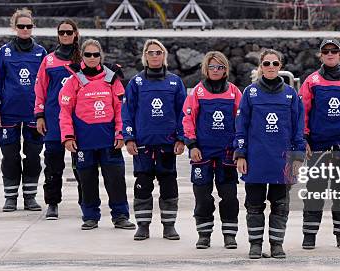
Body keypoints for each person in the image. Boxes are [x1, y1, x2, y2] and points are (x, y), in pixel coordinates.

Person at [235, 49, 305, 259]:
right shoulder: (250, 92)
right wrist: (241, 154)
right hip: (256, 159)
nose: (271, 67)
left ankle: (276, 244)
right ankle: (255, 244)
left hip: (282, 160)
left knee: (281, 205)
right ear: (261, 67)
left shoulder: (290, 94)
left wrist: (298, 156)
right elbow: (241, 126)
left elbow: (297, 127)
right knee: (254, 205)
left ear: (280, 66)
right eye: (267, 64)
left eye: (275, 63)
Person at [58, 39, 134, 230]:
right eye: (88, 54)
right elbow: (65, 112)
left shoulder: (112, 78)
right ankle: (90, 216)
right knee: (87, 181)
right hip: (84, 141)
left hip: (110, 141)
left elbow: (120, 110)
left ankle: (121, 216)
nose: (92, 58)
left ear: (101, 56)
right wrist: (67, 136)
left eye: (96, 54)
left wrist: (120, 133)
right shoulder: (73, 80)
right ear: (82, 56)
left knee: (116, 180)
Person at [299, 38, 340, 250]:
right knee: (314, 191)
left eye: (334, 51)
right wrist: (304, 139)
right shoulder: (312, 81)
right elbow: (303, 113)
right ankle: (309, 235)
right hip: (318, 145)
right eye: (325, 51)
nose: (330, 54)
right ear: (320, 55)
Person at [122, 39, 186, 241]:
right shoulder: (136, 83)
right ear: (145, 56)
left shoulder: (175, 82)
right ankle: (142, 225)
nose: (155, 56)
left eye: (158, 52)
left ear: (164, 55)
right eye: (150, 52)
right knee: (142, 184)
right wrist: (129, 138)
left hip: (168, 145)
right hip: (143, 144)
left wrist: (182, 138)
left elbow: (183, 113)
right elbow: (127, 113)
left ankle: (169, 226)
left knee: (169, 185)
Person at [182, 51, 241, 249]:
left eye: (220, 67)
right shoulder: (197, 92)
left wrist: (239, 149)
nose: (216, 70)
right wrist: (192, 145)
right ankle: (204, 234)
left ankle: (230, 235)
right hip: (203, 153)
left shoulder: (234, 92)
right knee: (203, 197)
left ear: (226, 70)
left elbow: (241, 122)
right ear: (206, 69)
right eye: (212, 67)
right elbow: (187, 119)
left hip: (227, 153)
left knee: (230, 197)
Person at [0, 8, 46, 212]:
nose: (24, 29)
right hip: (8, 112)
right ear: (14, 27)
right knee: (10, 156)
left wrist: (45, 111)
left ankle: (30, 196)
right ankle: (10, 197)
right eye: (21, 26)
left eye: (28, 26)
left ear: (33, 27)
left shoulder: (41, 52)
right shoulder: (3, 52)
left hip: (33, 113)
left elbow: (46, 84)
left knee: (32, 155)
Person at [34, 19, 82, 220]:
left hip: (79, 121)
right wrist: (39, 115)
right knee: (53, 164)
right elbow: (40, 89)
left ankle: (86, 202)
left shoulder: (83, 59)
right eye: (61, 32)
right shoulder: (49, 60)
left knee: (81, 164)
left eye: (68, 32)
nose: (65, 36)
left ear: (75, 34)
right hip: (54, 120)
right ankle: (52, 203)